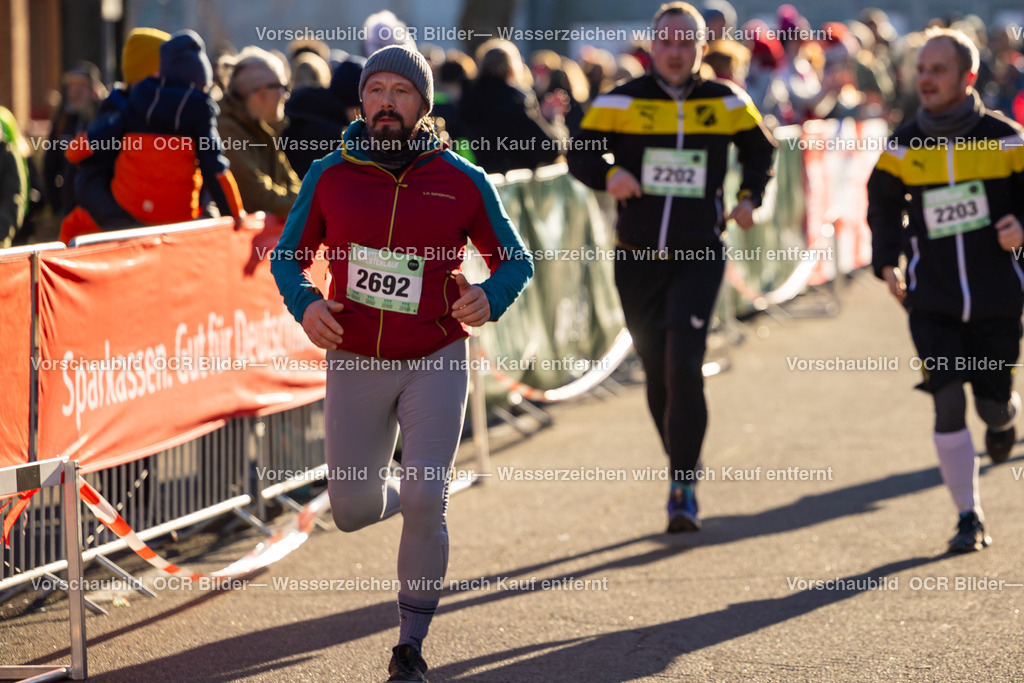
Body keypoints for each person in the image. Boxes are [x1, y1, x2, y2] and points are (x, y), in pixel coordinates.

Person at [270, 44, 533, 682]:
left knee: (426, 497)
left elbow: (516, 260)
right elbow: (286, 257)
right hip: (356, 358)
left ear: (422, 104)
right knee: (354, 507)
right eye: (376, 90)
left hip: (435, 352)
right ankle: (407, 494)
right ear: (361, 101)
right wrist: (306, 305)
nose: (387, 102)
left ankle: (409, 645)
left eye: (402, 91)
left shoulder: (462, 178)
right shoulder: (329, 174)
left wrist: (488, 295)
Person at [567, 1, 775, 533]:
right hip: (636, 258)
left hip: (699, 253)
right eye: (667, 42)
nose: (676, 52)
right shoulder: (621, 98)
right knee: (657, 373)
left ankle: (682, 487)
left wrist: (750, 197)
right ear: (651, 46)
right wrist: (609, 176)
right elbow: (582, 153)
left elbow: (761, 151)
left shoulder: (726, 100)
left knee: (684, 364)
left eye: (687, 42)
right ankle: (682, 459)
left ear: (703, 48)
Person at [867, 27, 1024, 554]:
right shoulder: (905, 143)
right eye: (922, 69)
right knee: (947, 396)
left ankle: (1006, 419)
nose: (926, 79)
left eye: (938, 70)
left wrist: (1021, 226)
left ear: (968, 77)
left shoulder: (1005, 136)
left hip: (996, 297)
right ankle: (968, 516)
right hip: (931, 299)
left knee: (991, 406)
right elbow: (883, 204)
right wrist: (887, 261)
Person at [59, 30, 243, 242]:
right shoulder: (199, 110)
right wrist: (234, 213)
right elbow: (215, 167)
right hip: (171, 219)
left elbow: (98, 139)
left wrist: (76, 150)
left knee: (72, 227)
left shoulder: (136, 104)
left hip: (130, 212)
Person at [217, 47, 301, 220]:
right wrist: (308, 204)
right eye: (282, 87)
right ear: (262, 93)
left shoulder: (263, 130)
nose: (286, 95)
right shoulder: (226, 130)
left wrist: (306, 201)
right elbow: (258, 198)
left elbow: (296, 185)